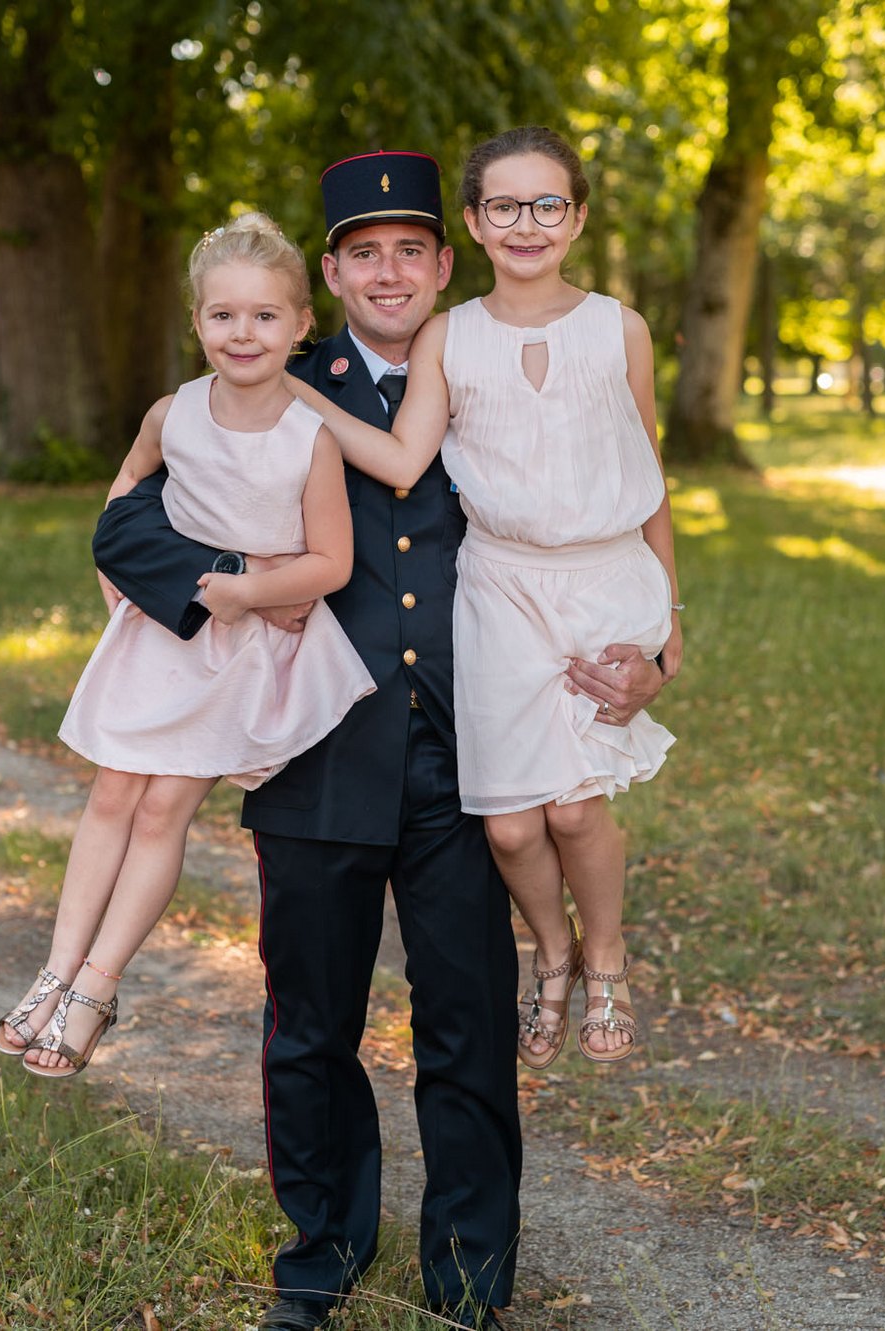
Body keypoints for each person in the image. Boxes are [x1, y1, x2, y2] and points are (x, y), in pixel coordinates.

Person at [286, 126, 685, 1073]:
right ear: (474, 220)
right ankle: (550, 949)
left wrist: (672, 632)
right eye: (505, 205)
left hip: (603, 579)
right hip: (501, 588)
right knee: (510, 822)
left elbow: (650, 474)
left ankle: (607, 960)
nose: (528, 223)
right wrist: (280, 391)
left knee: (578, 809)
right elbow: (398, 457)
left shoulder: (618, 328)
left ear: (578, 217)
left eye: (548, 204)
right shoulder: (449, 335)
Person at [0, 212, 373, 1080]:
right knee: (113, 791)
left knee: (164, 810)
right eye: (224, 316)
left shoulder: (309, 438)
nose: (244, 333)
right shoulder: (175, 414)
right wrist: (115, 574)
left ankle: (96, 986)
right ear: (196, 322)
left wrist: (248, 589)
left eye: (266, 316)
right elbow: (127, 487)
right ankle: (53, 967)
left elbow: (333, 561)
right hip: (165, 631)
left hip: (242, 652)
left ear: (302, 323)